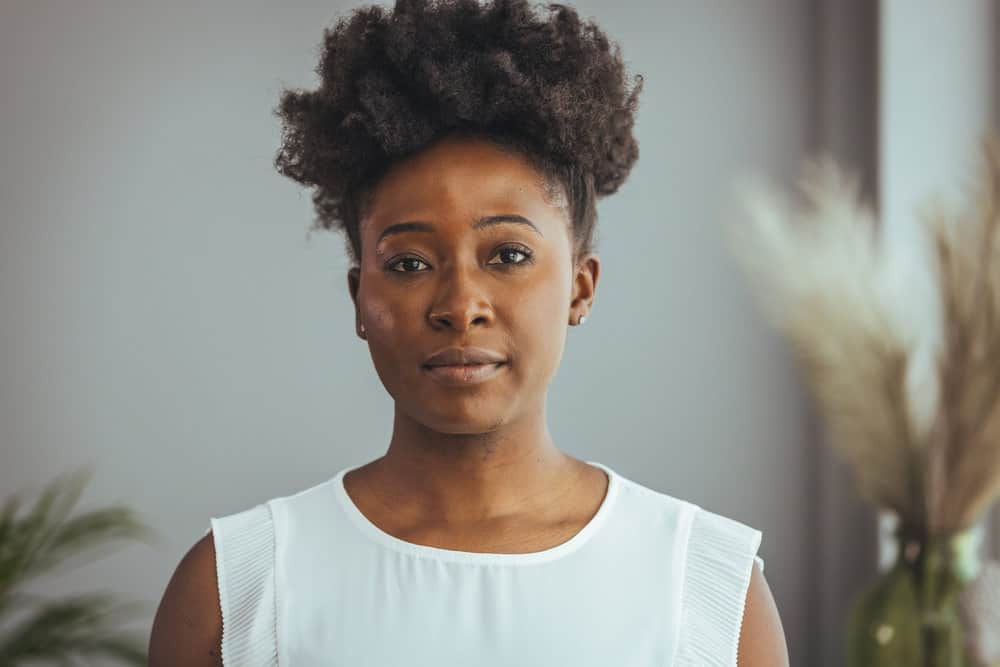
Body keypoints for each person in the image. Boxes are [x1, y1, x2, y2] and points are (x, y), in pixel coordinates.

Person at [149, 0, 789, 664]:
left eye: (507, 255)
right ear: (360, 297)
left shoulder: (707, 587)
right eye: (409, 263)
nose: (460, 304)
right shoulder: (237, 588)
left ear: (580, 285)